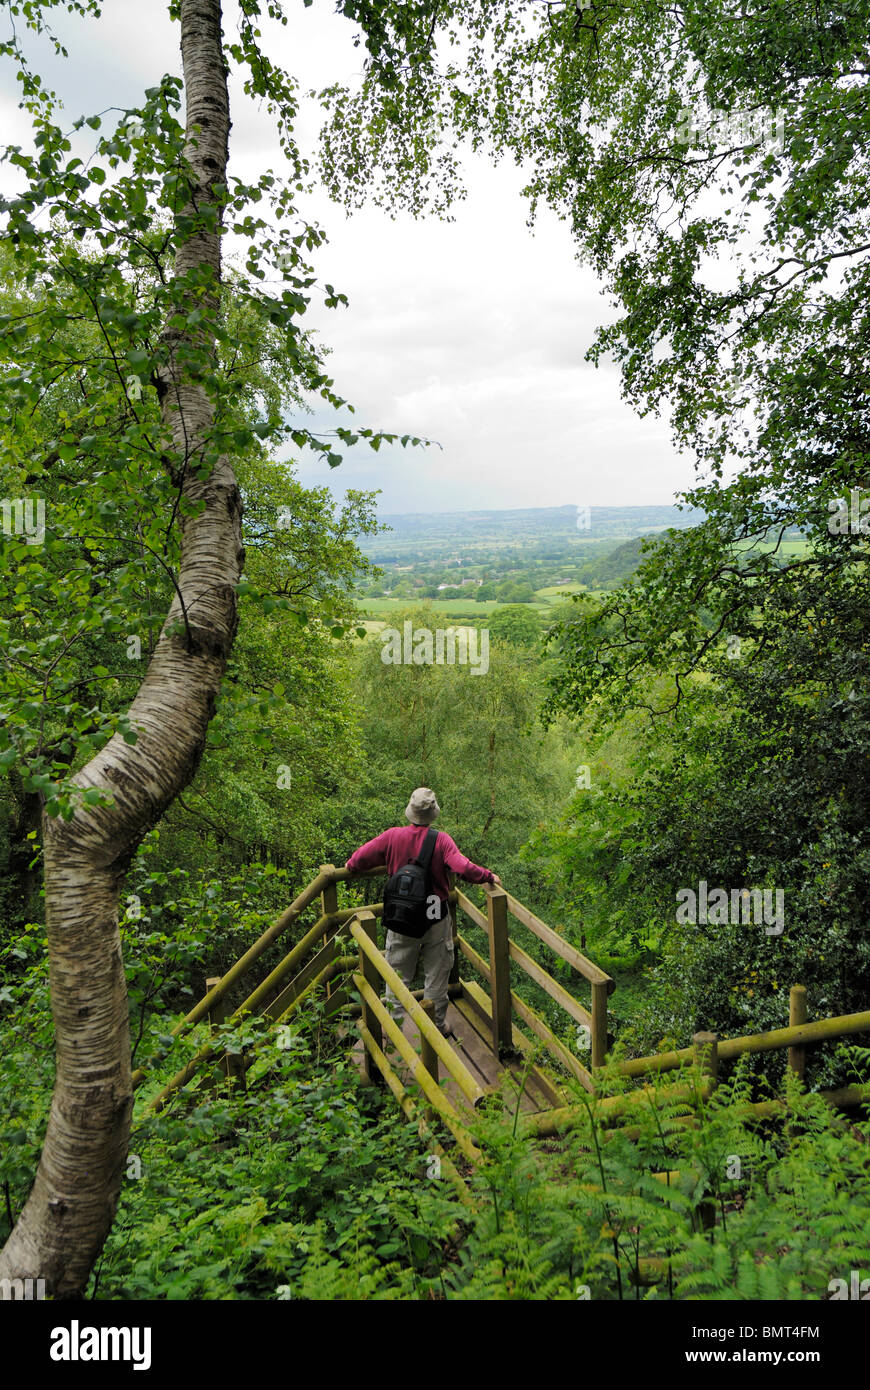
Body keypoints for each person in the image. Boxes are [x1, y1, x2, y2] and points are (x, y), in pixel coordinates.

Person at [345, 787, 501, 1038]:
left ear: (411, 812)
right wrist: (487, 876)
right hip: (435, 918)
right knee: (437, 976)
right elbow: (461, 866)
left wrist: (351, 866)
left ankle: (392, 1027)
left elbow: (360, 858)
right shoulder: (441, 840)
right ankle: (436, 1027)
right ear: (433, 813)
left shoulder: (392, 837)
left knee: (396, 974)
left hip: (401, 919)